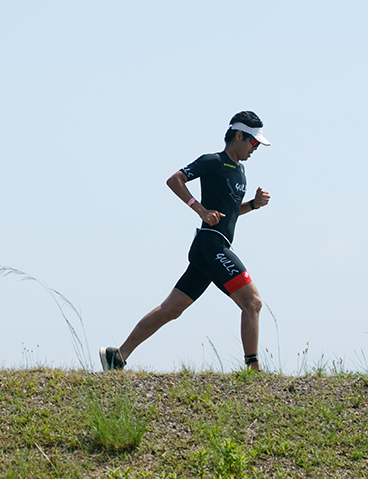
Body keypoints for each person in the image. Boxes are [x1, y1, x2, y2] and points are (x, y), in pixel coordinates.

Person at [100, 111, 271, 372]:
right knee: (253, 303)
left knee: (171, 309)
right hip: (211, 245)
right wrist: (200, 210)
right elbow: (174, 180)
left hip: (212, 248)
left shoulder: (241, 170)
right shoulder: (212, 161)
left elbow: (231, 211)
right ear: (239, 135)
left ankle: (118, 356)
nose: (255, 148)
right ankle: (254, 371)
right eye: (254, 142)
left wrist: (253, 205)